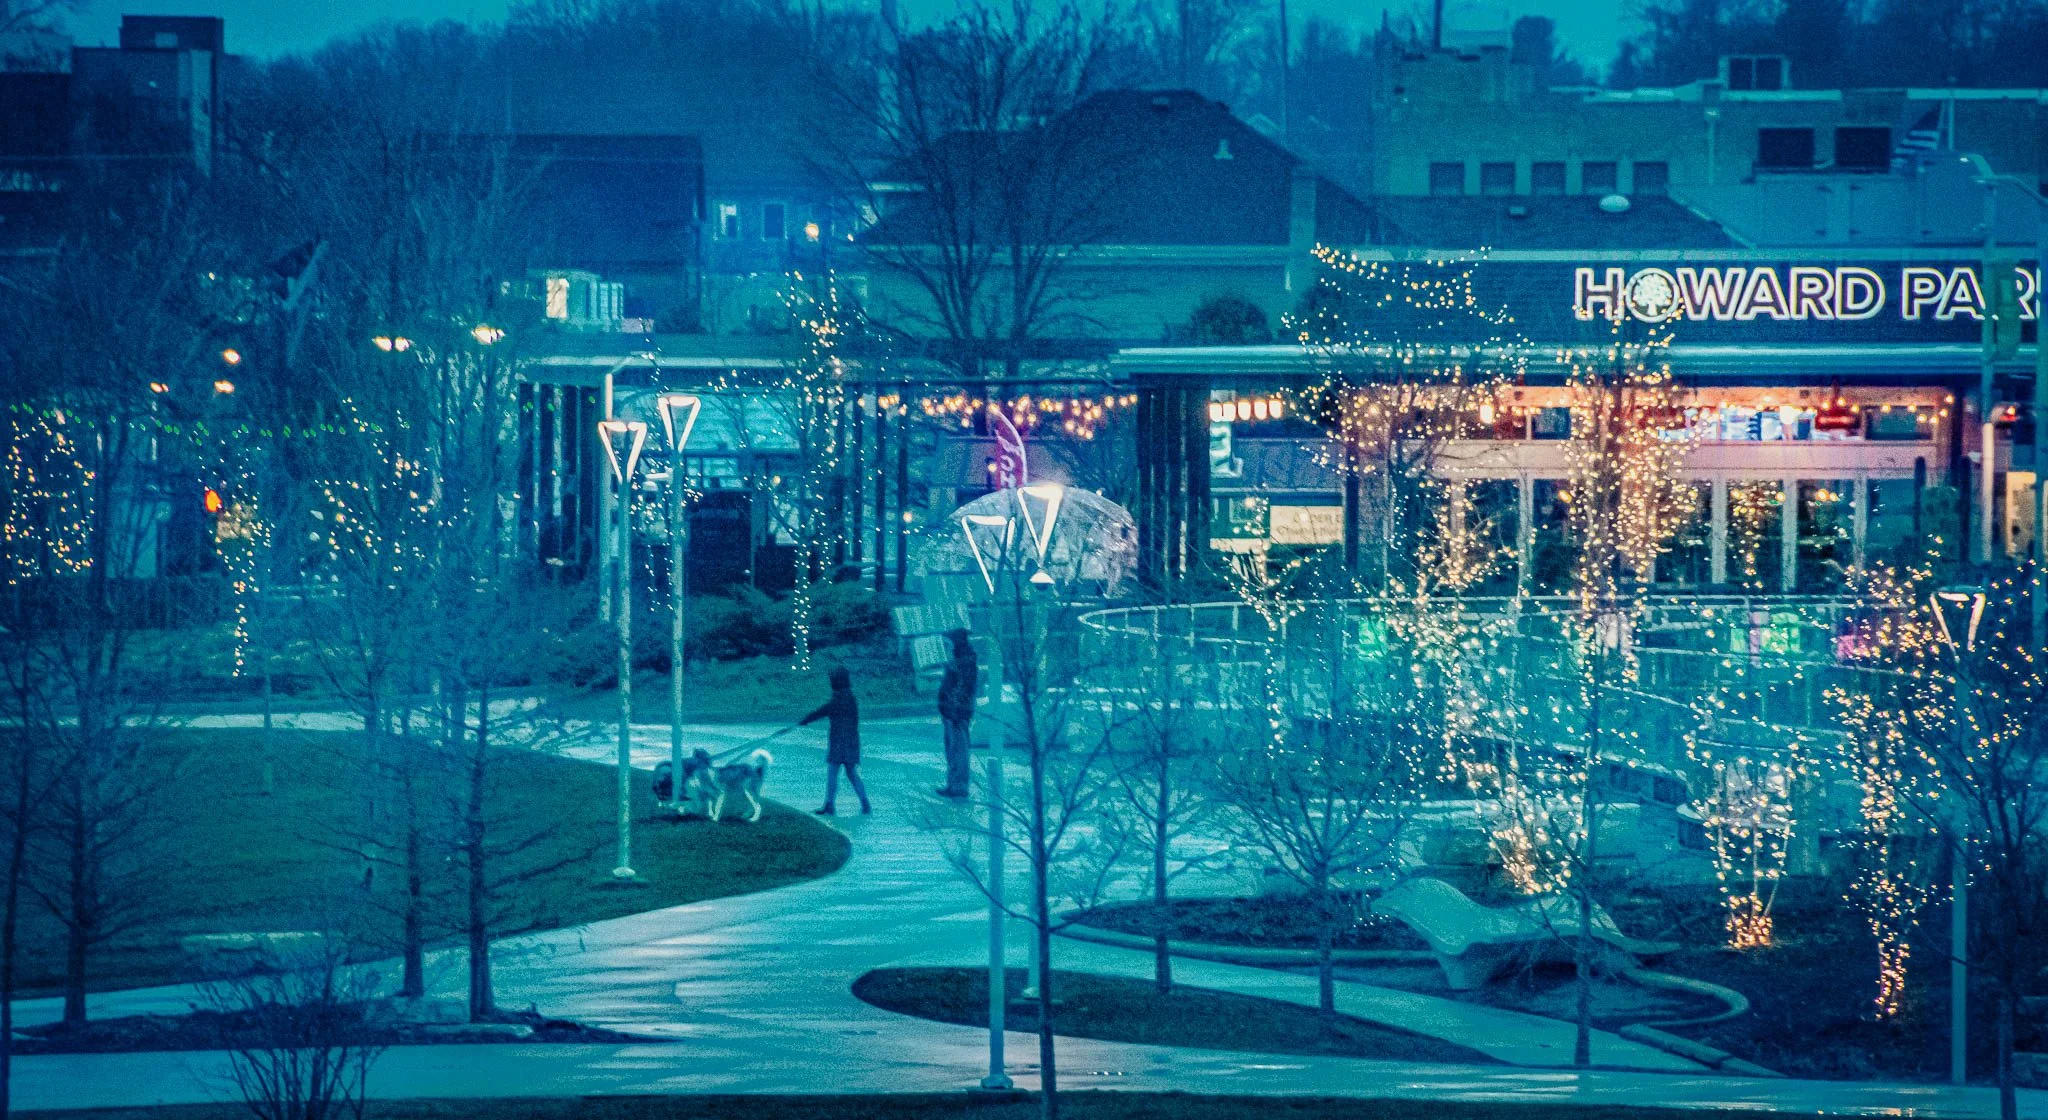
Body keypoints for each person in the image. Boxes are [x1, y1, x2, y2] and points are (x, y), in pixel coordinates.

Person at [800, 666, 869, 815]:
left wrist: (806, 719)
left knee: (833, 773)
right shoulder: (850, 698)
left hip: (839, 742)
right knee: (851, 773)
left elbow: (823, 711)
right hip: (851, 742)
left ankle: (830, 805)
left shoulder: (838, 699)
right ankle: (865, 803)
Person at [935, 629, 977, 799]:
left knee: (958, 750)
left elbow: (962, 688)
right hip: (953, 712)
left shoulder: (964, 660)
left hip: (956, 714)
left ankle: (958, 785)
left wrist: (953, 709)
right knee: (954, 750)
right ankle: (954, 783)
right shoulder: (962, 659)